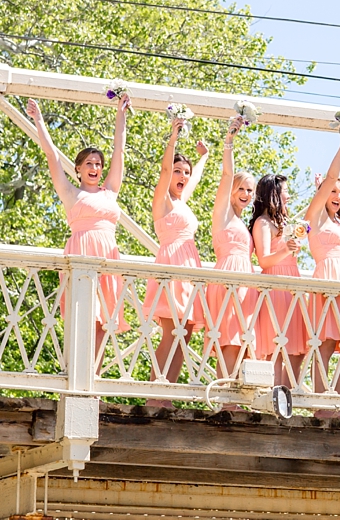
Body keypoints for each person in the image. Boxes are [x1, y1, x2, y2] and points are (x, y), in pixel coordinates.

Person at [26, 96, 132, 360]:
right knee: (85, 315)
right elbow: (51, 155)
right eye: (89, 164)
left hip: (108, 258)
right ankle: (77, 374)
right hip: (82, 255)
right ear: (79, 169)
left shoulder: (110, 192)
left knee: (104, 319)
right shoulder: (71, 193)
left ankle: (93, 376)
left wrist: (121, 115)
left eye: (98, 164)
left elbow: (119, 150)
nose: (95, 167)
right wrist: (39, 120)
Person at [143, 118, 209, 386]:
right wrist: (174, 136)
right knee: (172, 331)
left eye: (186, 172)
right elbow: (164, 170)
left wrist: (204, 157)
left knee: (187, 331)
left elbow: (197, 177)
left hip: (189, 268)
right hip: (171, 266)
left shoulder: (181, 202)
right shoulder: (164, 201)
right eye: (178, 171)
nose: (182, 176)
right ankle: (156, 390)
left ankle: (168, 390)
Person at [305, 124, 340, 398]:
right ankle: (320, 400)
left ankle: (333, 396)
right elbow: (331, 177)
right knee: (325, 343)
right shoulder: (316, 217)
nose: (336, 196)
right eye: (332, 191)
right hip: (327, 279)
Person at [202, 116, 256, 380]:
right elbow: (226, 174)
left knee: (242, 338)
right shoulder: (222, 214)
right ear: (232, 190)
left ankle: (235, 391)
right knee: (229, 337)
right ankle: (226, 394)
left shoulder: (243, 223)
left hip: (246, 282)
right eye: (241, 188)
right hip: (227, 278)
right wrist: (229, 142)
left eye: (250, 190)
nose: (245, 194)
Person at [249, 173, 304, 388]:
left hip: (292, 283)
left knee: (296, 347)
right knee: (278, 346)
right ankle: (276, 396)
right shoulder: (262, 223)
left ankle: (290, 394)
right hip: (275, 285)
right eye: (285, 192)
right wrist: (285, 250)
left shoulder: (281, 223)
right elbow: (264, 260)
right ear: (274, 194)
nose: (289, 196)